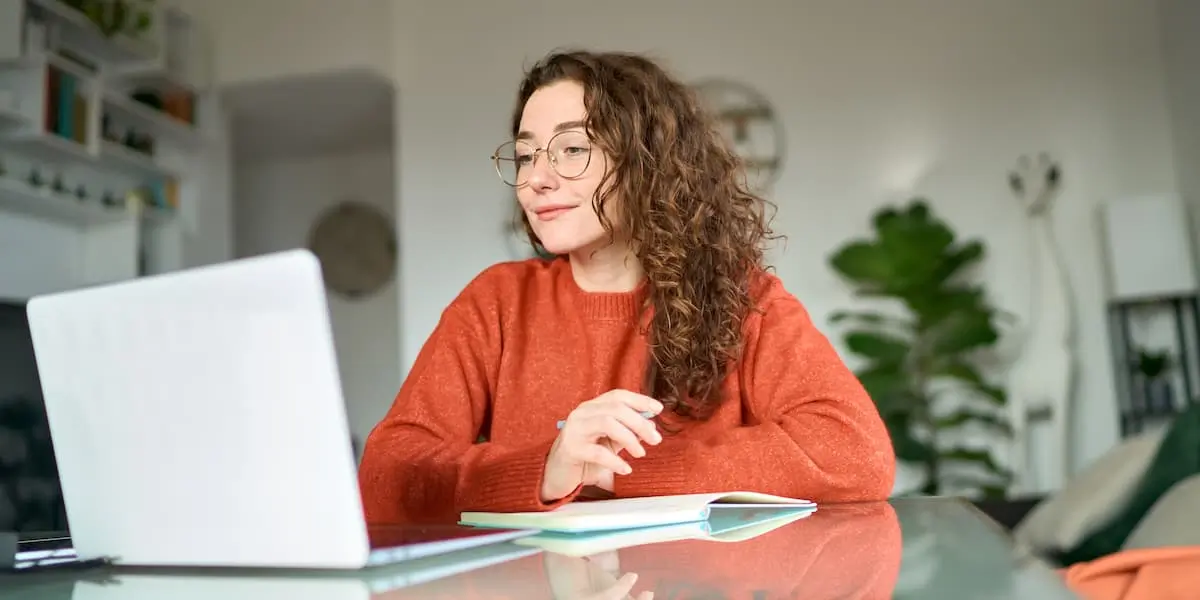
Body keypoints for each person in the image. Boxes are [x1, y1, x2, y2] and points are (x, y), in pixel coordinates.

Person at [357, 49, 895, 525]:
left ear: (648, 161)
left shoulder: (746, 299)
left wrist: (618, 469)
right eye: (525, 155)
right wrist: (549, 467)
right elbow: (386, 475)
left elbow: (856, 453)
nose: (537, 178)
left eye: (572, 149)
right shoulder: (495, 302)